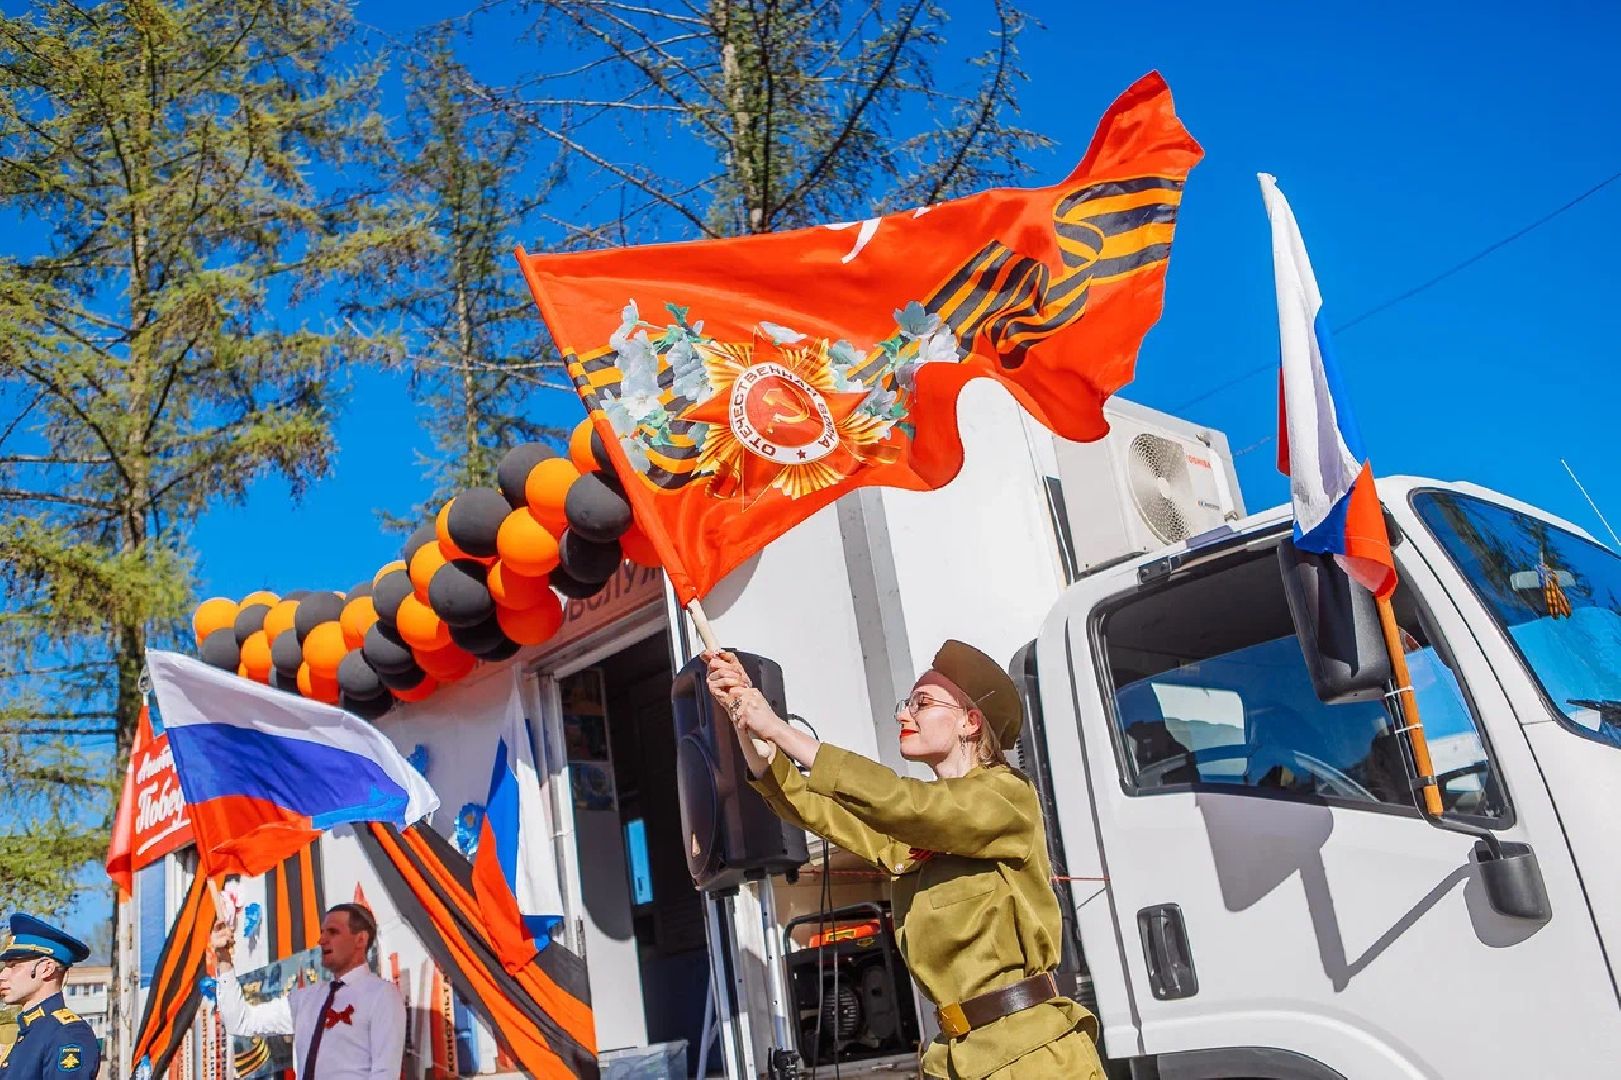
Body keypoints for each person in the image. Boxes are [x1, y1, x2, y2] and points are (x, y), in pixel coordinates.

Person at [705, 640, 1104, 1079]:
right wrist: (755, 739)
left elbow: (907, 803)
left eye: (922, 703)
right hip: (957, 1059)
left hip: (1031, 1057)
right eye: (905, 703)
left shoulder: (1007, 795)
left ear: (970, 723)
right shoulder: (920, 826)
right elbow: (827, 812)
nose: (903, 714)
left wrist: (781, 730)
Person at [211, 902, 405, 1079]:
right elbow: (240, 1021)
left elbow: (385, 1073)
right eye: (322, 932)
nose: (322, 940)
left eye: (333, 932)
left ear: (360, 940)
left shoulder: (382, 995)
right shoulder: (306, 999)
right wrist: (224, 960)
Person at [0, 914, 101, 1078]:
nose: (3, 975)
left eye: (14, 965)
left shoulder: (68, 1034)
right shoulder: (30, 1033)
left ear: (46, 969)